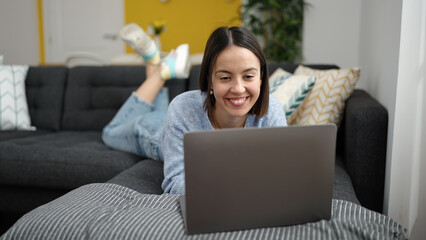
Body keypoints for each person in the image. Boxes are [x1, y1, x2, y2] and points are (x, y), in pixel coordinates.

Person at [102, 24, 287, 195]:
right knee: (109, 133)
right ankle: (160, 72)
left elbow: (281, 175)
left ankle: (153, 60)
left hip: (171, 119)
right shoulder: (182, 108)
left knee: (160, 112)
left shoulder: (272, 110)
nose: (238, 88)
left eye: (248, 76)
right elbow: (174, 183)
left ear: (261, 77)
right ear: (210, 80)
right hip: (154, 133)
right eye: (225, 78)